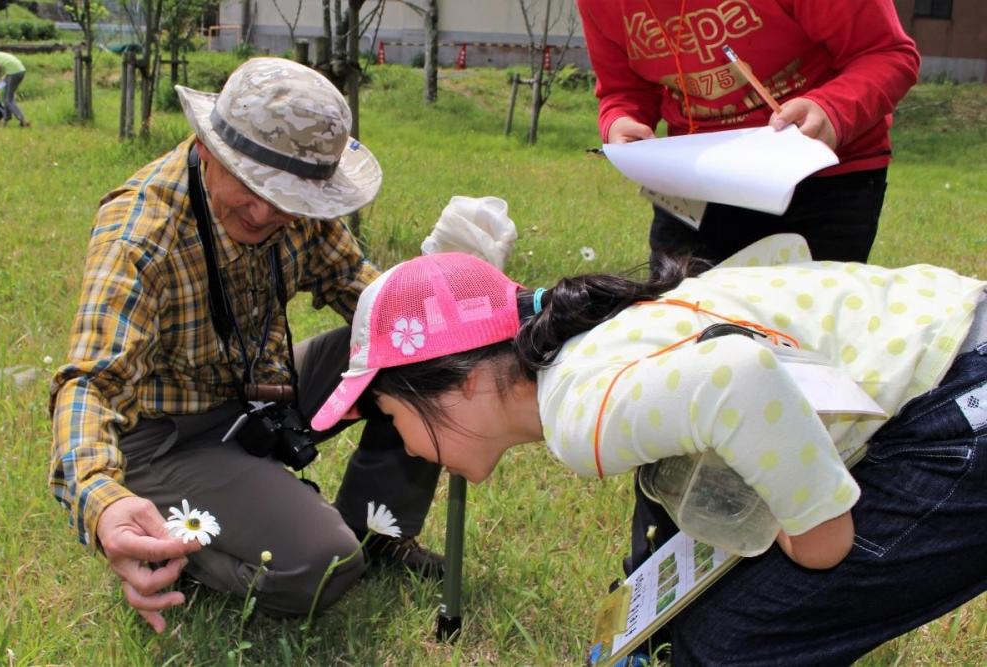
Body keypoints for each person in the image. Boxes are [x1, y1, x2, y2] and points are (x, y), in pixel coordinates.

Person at [311, 237, 987, 664]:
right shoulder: (592, 342)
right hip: (950, 346)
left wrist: (819, 528)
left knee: (728, 646)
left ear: (458, 382)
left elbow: (741, 380)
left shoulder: (576, 415)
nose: (399, 440)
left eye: (393, 414)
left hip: (957, 409)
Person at [49, 57, 444, 635]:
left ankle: (377, 527)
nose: (264, 212)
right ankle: (168, 539)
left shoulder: (300, 207)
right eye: (251, 186)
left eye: (285, 199)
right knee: (327, 565)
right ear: (208, 150)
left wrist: (459, 327)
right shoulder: (141, 236)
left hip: (259, 390)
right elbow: (91, 384)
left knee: (412, 346)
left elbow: (365, 295)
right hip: (168, 438)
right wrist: (102, 501)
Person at [576, 0, 920, 264]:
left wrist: (832, 110)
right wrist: (620, 120)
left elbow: (887, 53)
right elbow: (623, 89)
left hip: (821, 173)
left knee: (800, 331)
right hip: (694, 176)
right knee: (679, 322)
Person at [0, 51, 30, 127]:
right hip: (19, 70)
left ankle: (23, 120)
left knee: (8, 99)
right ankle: (5, 120)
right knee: (5, 95)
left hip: (13, 72)